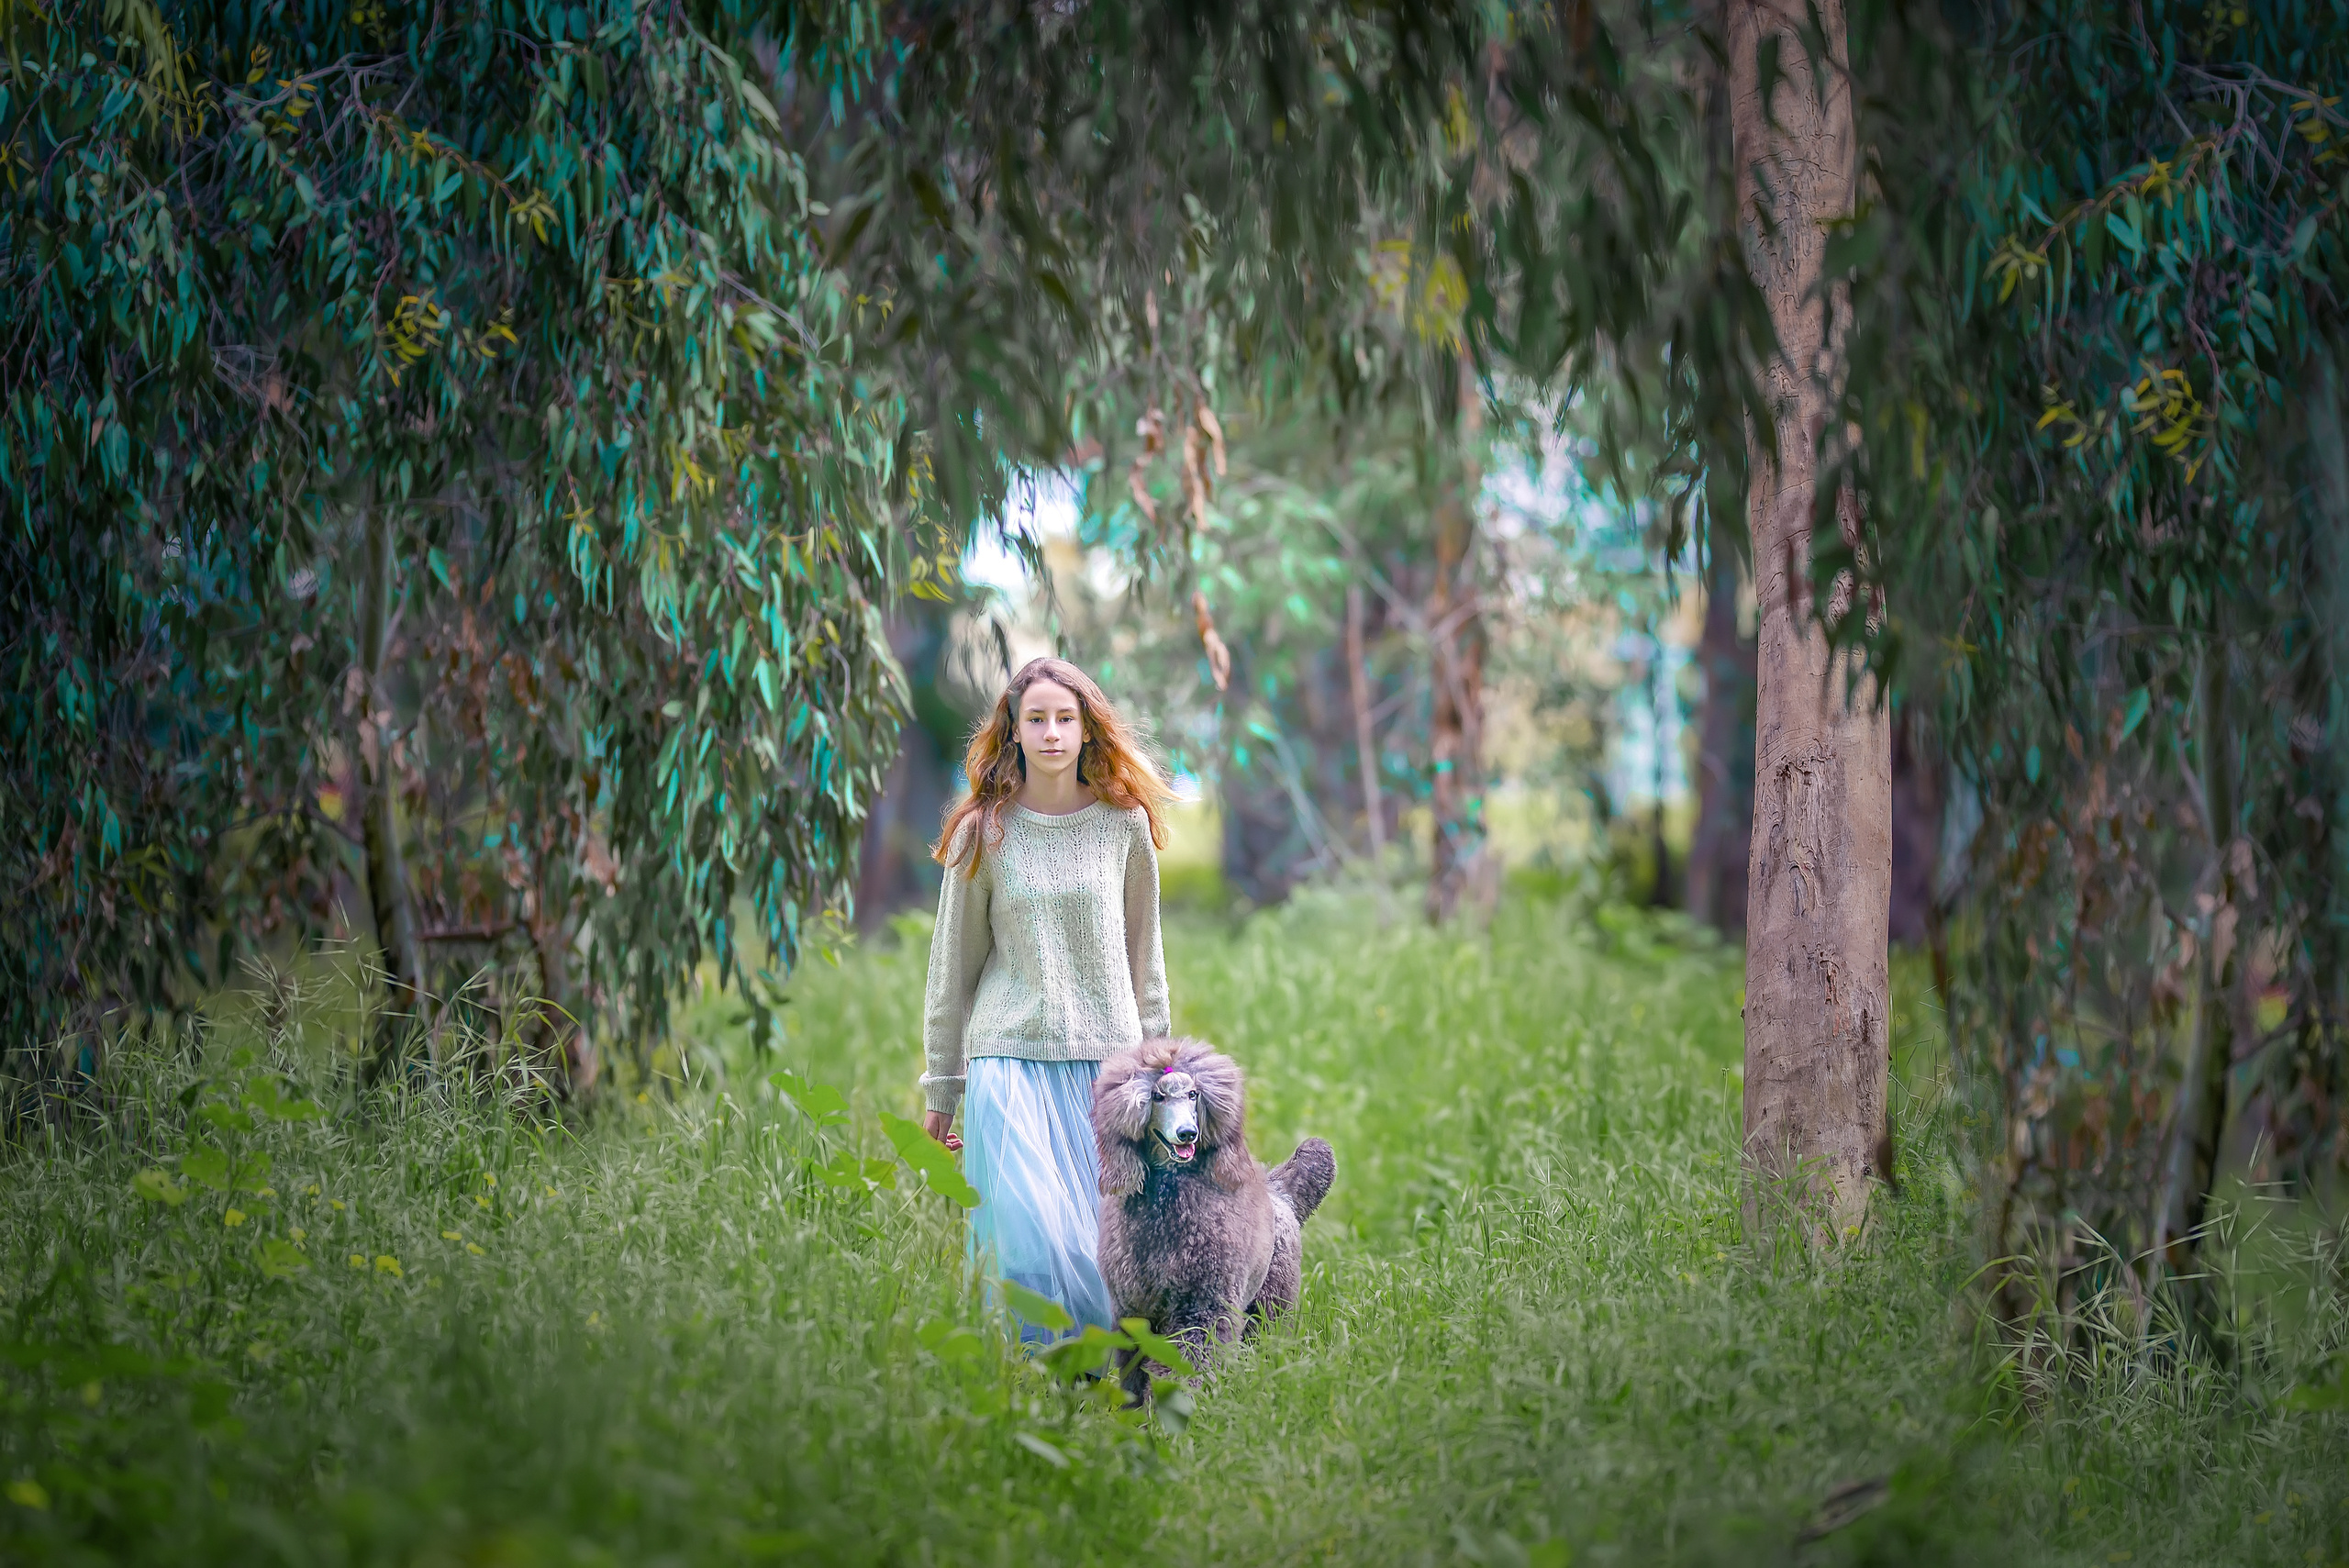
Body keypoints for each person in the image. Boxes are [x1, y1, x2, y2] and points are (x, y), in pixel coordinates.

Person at [919, 657, 1174, 1341]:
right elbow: (952, 970)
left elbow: (1145, 962)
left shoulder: (1125, 827)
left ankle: (1099, 1394)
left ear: (1088, 729)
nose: (1053, 732)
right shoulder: (983, 831)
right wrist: (943, 1089)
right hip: (1008, 1063)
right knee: (1029, 1251)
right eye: (1037, 719)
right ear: (1014, 730)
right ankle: (1029, 1394)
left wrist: (1161, 1074)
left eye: (1067, 718)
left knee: (1102, 1257)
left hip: (1106, 1071)